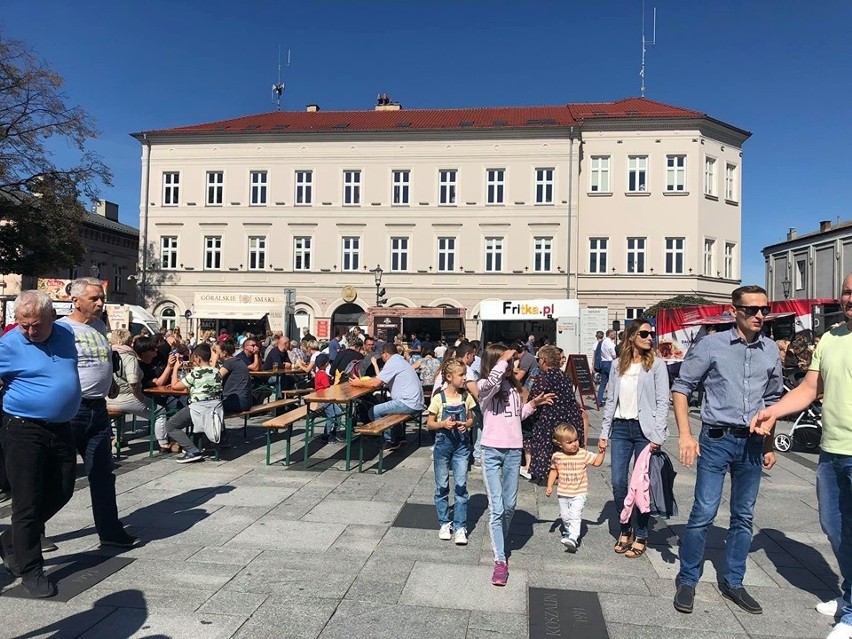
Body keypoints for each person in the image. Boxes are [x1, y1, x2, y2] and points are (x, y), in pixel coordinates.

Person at [750, 273, 852, 639]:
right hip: (832, 450)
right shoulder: (831, 338)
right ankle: (849, 594)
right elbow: (810, 388)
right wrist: (774, 411)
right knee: (834, 526)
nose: (849, 298)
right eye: (846, 291)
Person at [671, 285, 781, 615]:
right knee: (704, 511)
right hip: (717, 440)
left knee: (744, 516)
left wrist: (769, 442)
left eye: (764, 309)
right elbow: (682, 387)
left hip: (751, 443)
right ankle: (688, 578)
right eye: (752, 310)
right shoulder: (712, 345)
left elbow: (774, 400)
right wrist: (686, 435)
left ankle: (733, 581)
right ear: (735, 311)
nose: (760, 315)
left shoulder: (771, 350)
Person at [0, 291, 80, 597]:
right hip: (23, 429)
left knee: (63, 489)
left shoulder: (66, 333)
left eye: (37, 325)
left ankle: (11, 541)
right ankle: (30, 569)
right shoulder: (8, 345)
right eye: (24, 325)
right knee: (27, 501)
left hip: (60, 427)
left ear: (52, 319)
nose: (31, 331)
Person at [59, 278, 137, 549]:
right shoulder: (61, 329)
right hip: (70, 410)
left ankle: (110, 530)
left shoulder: (100, 326)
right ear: (75, 300)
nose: (101, 303)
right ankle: (35, 531)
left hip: (98, 409)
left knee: (103, 472)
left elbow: (101, 360)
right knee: (59, 477)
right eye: (94, 299)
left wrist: (110, 383)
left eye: (101, 297)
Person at [477, 343, 555, 586]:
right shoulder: (484, 386)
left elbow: (515, 416)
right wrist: (503, 359)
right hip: (491, 451)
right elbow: (489, 385)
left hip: (513, 450)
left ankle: (500, 534)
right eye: (508, 361)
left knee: (509, 505)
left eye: (512, 361)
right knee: (497, 507)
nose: (513, 365)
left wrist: (533, 405)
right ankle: (500, 560)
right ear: (496, 363)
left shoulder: (512, 387)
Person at [598, 319, 670, 559]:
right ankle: (625, 527)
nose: (650, 338)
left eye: (651, 334)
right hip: (620, 429)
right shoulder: (618, 364)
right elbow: (610, 401)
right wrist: (603, 432)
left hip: (644, 432)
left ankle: (641, 534)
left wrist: (658, 434)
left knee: (642, 485)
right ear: (630, 337)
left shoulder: (657, 365)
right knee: (618, 482)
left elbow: (663, 402)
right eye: (644, 334)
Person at [427, 358, 476, 545]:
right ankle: (444, 522)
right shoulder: (439, 398)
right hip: (443, 447)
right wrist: (442, 424)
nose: (465, 378)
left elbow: (472, 419)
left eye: (465, 374)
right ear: (449, 377)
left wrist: (467, 424)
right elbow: (429, 424)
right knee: (441, 486)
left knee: (461, 486)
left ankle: (461, 526)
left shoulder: (466, 397)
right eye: (461, 375)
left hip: (462, 448)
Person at [526, 345, 587, 482]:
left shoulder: (543, 377)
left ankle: (544, 472)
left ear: (543, 360)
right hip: (569, 415)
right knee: (562, 445)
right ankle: (566, 471)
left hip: (550, 416)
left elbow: (534, 397)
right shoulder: (564, 375)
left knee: (543, 442)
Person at [350, 343, 424, 450]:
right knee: (389, 410)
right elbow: (379, 379)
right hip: (415, 402)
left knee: (374, 411)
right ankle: (400, 438)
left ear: (385, 354)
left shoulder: (392, 362)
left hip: (407, 402)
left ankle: (389, 440)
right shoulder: (401, 361)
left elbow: (376, 383)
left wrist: (358, 383)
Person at [545, 422, 605, 552]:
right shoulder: (557, 456)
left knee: (575, 515)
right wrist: (549, 485)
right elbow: (554, 471)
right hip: (563, 492)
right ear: (560, 444)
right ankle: (568, 531)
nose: (574, 444)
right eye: (570, 442)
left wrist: (602, 451)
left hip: (579, 492)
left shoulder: (582, 454)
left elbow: (597, 462)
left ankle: (573, 537)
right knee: (565, 516)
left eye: (576, 440)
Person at [164, 343, 224, 463]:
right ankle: (194, 445)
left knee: (170, 425)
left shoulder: (195, 374)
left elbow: (175, 386)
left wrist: (175, 368)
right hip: (215, 408)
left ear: (198, 358)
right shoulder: (217, 372)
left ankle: (192, 450)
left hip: (199, 407)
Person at [132, 335, 178, 453]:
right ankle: (164, 444)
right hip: (149, 396)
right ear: (143, 353)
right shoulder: (139, 367)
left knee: (182, 404)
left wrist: (173, 339)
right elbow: (158, 384)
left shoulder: (159, 352)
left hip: (168, 392)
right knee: (162, 411)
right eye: (152, 350)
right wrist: (169, 367)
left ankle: (179, 436)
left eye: (155, 348)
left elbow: (171, 342)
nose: (156, 351)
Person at [106, 328, 153, 432]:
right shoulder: (129, 357)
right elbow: (133, 382)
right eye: (131, 341)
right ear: (126, 341)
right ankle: (164, 443)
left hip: (108, 399)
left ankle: (118, 438)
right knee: (161, 412)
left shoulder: (107, 355)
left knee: (119, 413)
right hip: (128, 399)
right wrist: (139, 397)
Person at [311, 353, 343, 443]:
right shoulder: (323, 375)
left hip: (323, 397)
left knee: (338, 412)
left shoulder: (318, 373)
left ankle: (333, 432)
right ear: (326, 364)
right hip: (325, 398)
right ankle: (328, 435)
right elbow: (327, 387)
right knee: (332, 415)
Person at [216, 340, 251, 414]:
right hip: (245, 401)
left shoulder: (229, 362)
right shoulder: (237, 361)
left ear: (224, 353)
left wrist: (213, 361)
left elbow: (214, 380)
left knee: (206, 405)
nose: (215, 353)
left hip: (236, 403)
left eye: (216, 351)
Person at [596, 329, 617, 406]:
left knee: (603, 383)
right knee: (614, 381)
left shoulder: (603, 342)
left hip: (603, 362)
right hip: (610, 362)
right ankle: (613, 399)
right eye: (614, 334)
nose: (615, 335)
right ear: (610, 334)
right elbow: (613, 354)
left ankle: (599, 400)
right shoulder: (610, 343)